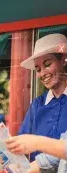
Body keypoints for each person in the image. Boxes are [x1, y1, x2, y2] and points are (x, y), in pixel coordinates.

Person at [18, 33, 67, 164]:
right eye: (38, 69)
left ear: (63, 60)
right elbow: (20, 144)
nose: (43, 73)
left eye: (47, 64)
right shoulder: (37, 105)